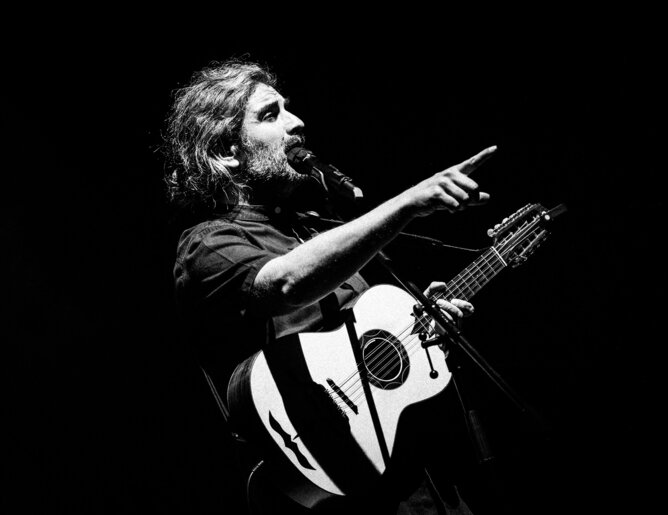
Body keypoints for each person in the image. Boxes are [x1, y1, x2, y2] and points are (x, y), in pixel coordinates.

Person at [165, 58, 496, 514]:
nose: (297, 122)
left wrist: (418, 329)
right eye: (271, 114)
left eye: (289, 108)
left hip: (419, 479)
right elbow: (284, 284)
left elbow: (363, 350)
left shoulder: (312, 229)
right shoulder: (209, 242)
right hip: (330, 493)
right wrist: (408, 203)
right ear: (226, 151)